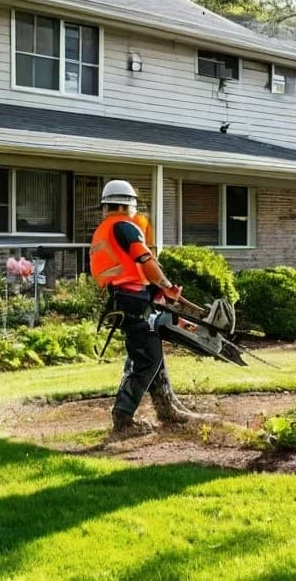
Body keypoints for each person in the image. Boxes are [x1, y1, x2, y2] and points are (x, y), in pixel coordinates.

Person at [89, 179, 207, 434]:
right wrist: (167, 286)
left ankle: (167, 408)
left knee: (149, 354)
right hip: (133, 302)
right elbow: (145, 260)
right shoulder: (124, 227)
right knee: (147, 358)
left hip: (125, 300)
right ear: (127, 205)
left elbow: (127, 273)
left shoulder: (104, 231)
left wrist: (159, 296)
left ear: (106, 206)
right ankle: (123, 418)